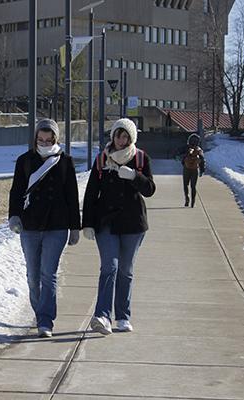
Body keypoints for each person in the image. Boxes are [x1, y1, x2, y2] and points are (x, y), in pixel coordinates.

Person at [82, 118, 156, 335]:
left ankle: (123, 316)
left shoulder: (140, 158)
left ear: (131, 139)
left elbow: (150, 189)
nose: (121, 140)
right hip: (106, 222)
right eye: (118, 135)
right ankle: (102, 316)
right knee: (109, 267)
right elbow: (90, 194)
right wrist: (87, 223)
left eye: (126, 137)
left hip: (133, 224)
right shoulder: (101, 160)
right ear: (112, 136)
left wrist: (135, 176)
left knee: (125, 270)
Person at [8, 118, 81, 338]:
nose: (44, 143)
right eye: (41, 139)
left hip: (56, 226)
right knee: (33, 275)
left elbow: (72, 195)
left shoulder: (65, 161)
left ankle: (45, 320)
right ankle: (40, 312)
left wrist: (74, 227)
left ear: (55, 139)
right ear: (35, 138)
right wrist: (14, 216)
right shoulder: (25, 160)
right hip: (30, 225)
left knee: (48, 274)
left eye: (48, 140)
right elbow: (16, 190)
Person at [179, 133, 206, 208]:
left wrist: (182, 159)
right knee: (193, 186)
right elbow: (202, 160)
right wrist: (202, 170)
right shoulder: (199, 150)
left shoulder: (186, 148)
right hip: (195, 170)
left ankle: (187, 199)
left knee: (185, 185)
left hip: (186, 169)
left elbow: (179, 154)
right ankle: (193, 202)